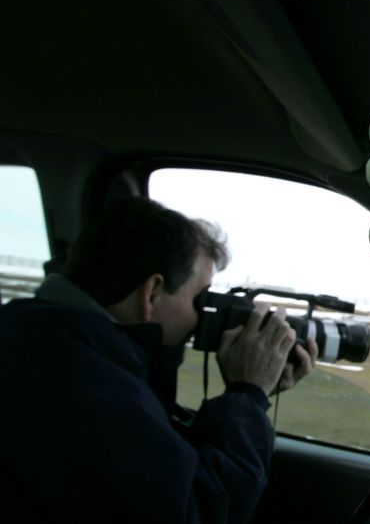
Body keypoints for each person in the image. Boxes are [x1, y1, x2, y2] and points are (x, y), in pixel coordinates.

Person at [0, 197, 318, 523]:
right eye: (200, 298)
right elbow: (198, 511)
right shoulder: (82, 381)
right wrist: (248, 394)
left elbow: (152, 463)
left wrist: (250, 394)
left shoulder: (41, 340)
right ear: (152, 292)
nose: (202, 317)